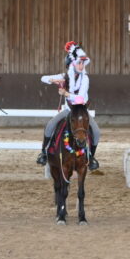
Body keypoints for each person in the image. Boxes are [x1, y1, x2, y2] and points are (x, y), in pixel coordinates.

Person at [36, 42, 101, 170]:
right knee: (50, 125)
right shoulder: (65, 77)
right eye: (79, 63)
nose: (81, 66)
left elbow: (80, 98)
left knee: (96, 132)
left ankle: (91, 157)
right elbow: (43, 78)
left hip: (81, 110)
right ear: (72, 65)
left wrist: (66, 93)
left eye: (83, 63)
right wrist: (53, 80)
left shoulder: (85, 79)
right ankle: (44, 152)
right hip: (69, 111)